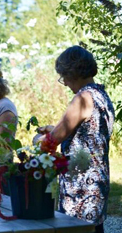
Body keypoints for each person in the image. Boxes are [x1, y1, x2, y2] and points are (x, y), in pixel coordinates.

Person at [37, 46, 115, 233]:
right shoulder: (101, 95)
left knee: (76, 230)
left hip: (81, 185)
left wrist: (37, 140)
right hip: (97, 180)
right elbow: (88, 131)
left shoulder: (83, 98)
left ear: (73, 72)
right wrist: (53, 129)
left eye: (64, 77)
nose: (64, 83)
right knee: (94, 229)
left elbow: (54, 138)